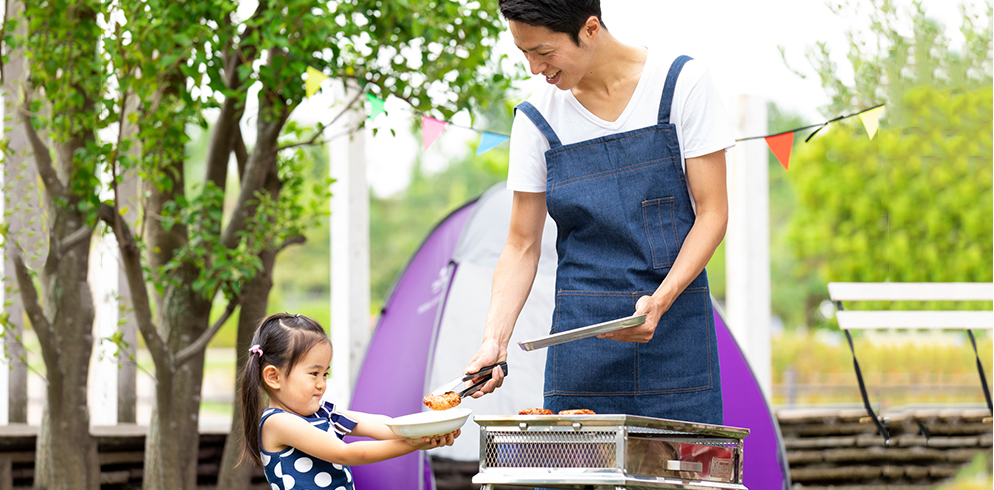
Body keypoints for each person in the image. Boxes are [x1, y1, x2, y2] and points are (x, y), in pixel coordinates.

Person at [465, 0, 733, 425]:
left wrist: (660, 301)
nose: (534, 68)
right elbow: (521, 245)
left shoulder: (681, 84)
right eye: (524, 53)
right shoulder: (537, 118)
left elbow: (713, 213)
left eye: (544, 52)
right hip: (581, 346)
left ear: (590, 29)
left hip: (676, 337)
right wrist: (494, 340)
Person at [240, 313, 460, 490]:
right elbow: (345, 454)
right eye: (314, 373)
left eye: (325, 374)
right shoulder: (277, 422)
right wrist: (412, 445)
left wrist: (426, 431)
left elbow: (378, 424)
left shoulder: (323, 412)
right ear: (273, 377)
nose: (322, 384)